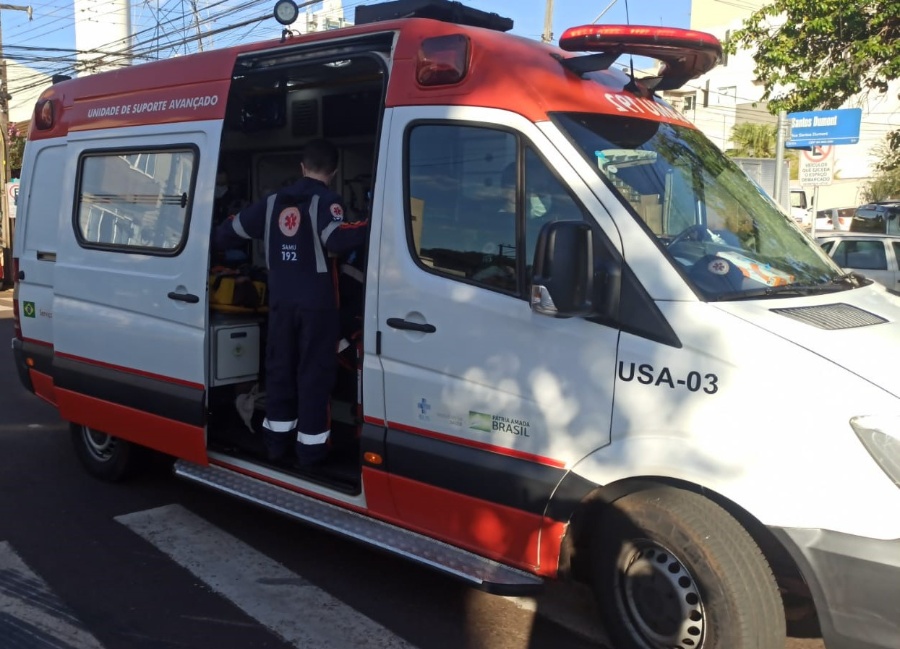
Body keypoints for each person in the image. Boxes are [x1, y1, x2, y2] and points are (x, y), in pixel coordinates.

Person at [214, 139, 368, 467]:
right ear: (335, 171)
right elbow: (337, 239)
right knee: (314, 374)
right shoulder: (329, 201)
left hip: (281, 302)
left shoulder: (272, 202)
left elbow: (231, 231)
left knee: (280, 369)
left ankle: (275, 444)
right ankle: (310, 452)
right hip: (317, 306)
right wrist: (373, 223)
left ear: (302, 166)